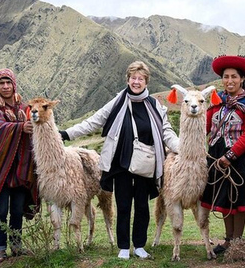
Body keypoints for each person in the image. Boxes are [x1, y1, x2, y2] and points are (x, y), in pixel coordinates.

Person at [59, 61, 179, 260]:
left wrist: (183, 148)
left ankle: (139, 245)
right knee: (123, 205)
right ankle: (124, 246)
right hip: (121, 163)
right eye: (133, 78)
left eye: (140, 78)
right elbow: (95, 120)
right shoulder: (118, 101)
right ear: (128, 79)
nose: (136, 82)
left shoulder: (155, 105)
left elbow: (167, 133)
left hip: (146, 163)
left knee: (142, 206)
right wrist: (67, 133)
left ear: (146, 81)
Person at [200, 54, 245, 254]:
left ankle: (237, 242)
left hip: (240, 158)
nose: (229, 81)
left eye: (234, 77)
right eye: (226, 77)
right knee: (225, 201)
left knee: (238, 201)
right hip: (216, 157)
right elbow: (205, 126)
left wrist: (230, 156)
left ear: (242, 78)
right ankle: (228, 240)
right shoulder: (217, 100)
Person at [0, 68, 39, 264]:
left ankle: (16, 247)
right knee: (1, 211)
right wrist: (19, 127)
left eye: (8, 83)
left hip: (21, 169)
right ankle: (0, 250)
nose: (5, 87)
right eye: (1, 83)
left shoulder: (24, 109)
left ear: (14, 85)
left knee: (16, 210)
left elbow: (37, 121)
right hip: (0, 171)